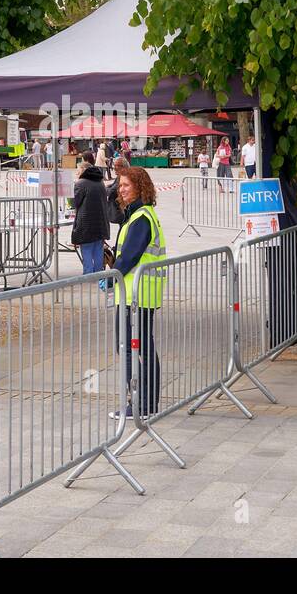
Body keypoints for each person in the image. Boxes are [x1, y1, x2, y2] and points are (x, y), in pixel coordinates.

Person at [109, 167, 165, 420]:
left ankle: (140, 402)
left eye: (126, 185)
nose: (121, 189)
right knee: (141, 347)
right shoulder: (140, 215)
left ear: (140, 187)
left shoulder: (141, 217)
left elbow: (130, 256)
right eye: (120, 185)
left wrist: (111, 277)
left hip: (135, 295)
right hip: (138, 294)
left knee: (132, 349)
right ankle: (146, 402)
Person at [72, 151, 110, 275]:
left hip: (86, 224)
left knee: (87, 250)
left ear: (83, 170)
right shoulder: (100, 182)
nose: (77, 172)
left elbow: (75, 203)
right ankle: (99, 274)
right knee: (98, 250)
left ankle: (88, 275)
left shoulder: (81, 184)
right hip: (100, 223)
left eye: (78, 170)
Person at [106, 156, 131, 227]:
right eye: (114, 167)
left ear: (123, 167)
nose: (114, 169)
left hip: (123, 210)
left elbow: (112, 191)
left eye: (117, 167)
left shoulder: (123, 176)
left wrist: (106, 189)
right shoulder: (121, 175)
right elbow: (113, 186)